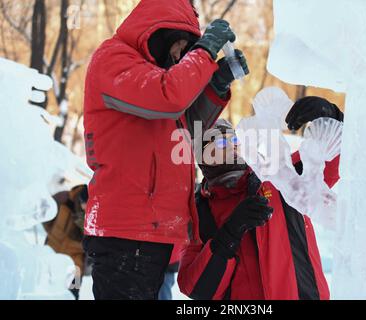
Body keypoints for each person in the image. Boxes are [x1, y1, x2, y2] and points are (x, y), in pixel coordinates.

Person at [82, 0, 249, 300]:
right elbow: (169, 97)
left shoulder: (157, 78)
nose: (180, 56)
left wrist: (216, 86)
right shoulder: (113, 58)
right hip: (126, 233)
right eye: (181, 45)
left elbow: (186, 127)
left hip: (154, 233)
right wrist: (205, 52)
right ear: (160, 32)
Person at [177, 97, 343, 300]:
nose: (232, 145)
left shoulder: (277, 175)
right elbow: (195, 288)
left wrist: (332, 118)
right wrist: (229, 235)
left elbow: (338, 160)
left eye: (233, 139)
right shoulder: (198, 212)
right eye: (220, 141)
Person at [44, 185, 89, 300]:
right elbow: (46, 217)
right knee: (41, 292)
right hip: (50, 257)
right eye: (84, 204)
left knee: (71, 296)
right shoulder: (64, 199)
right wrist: (54, 235)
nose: (85, 208)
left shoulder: (95, 218)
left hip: (75, 268)